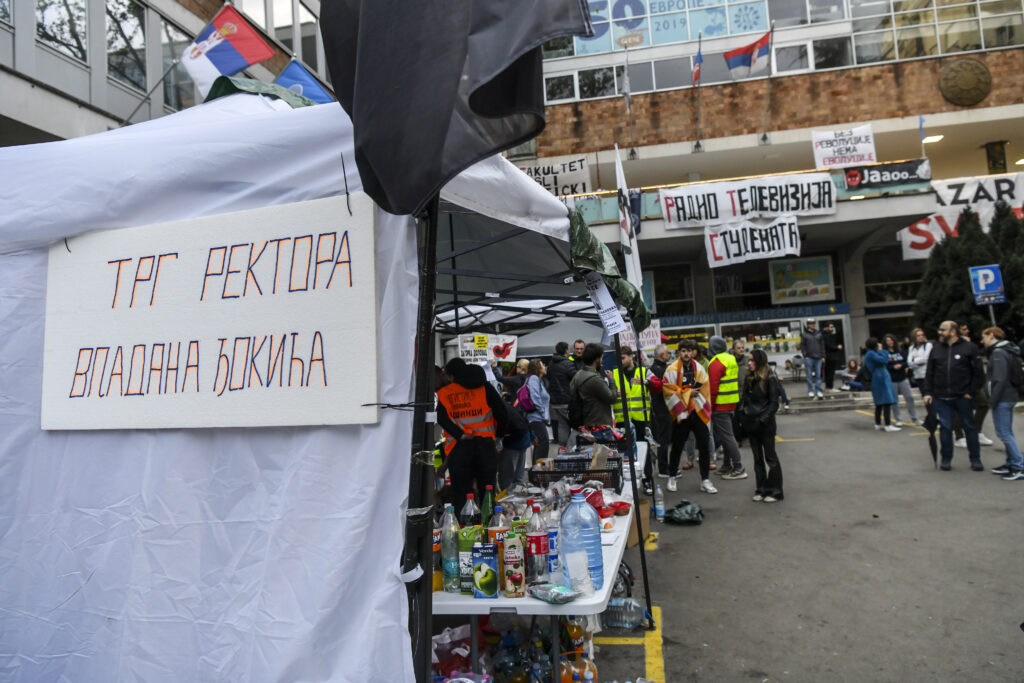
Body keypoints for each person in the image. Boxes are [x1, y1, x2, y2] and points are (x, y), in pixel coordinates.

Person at [436, 357, 509, 509]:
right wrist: (499, 435)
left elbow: (441, 418)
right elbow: (502, 413)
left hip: (459, 448)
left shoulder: (445, 393)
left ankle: (465, 523)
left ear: (452, 376)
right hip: (485, 447)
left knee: (461, 494)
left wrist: (459, 434)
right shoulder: (485, 387)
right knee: (487, 493)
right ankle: (489, 522)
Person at [922, 321, 984, 471]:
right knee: (945, 428)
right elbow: (929, 373)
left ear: (953, 331)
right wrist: (928, 392)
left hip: (963, 396)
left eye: (943, 330)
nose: (940, 332)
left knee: (970, 427)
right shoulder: (936, 349)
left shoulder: (969, 348)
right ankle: (946, 459)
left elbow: (978, 373)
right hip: (941, 397)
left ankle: (975, 459)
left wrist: (971, 392)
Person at [659, 339, 717, 494]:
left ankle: (705, 480)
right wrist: (687, 393)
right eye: (683, 351)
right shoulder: (671, 370)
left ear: (693, 353)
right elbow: (668, 389)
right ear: (679, 353)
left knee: (704, 446)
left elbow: (705, 388)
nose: (686, 354)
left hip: (698, 411)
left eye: (689, 351)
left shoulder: (700, 369)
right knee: (677, 447)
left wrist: (688, 393)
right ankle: (672, 477)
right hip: (682, 413)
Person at [611, 346, 661, 491]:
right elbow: (606, 393)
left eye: (622, 358)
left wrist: (647, 382)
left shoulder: (644, 371)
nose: (620, 361)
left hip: (641, 419)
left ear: (631, 356)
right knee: (624, 453)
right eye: (618, 359)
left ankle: (647, 479)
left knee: (644, 450)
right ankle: (627, 481)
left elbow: (659, 385)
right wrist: (613, 392)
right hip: (622, 420)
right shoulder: (613, 374)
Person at [739, 349, 783, 502]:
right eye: (749, 360)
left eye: (752, 360)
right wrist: (743, 414)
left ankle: (776, 491)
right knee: (757, 459)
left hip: (765, 424)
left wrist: (763, 419)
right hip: (751, 422)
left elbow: (774, 403)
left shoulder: (770, 377)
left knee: (770, 458)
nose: (749, 363)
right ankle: (761, 488)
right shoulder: (749, 377)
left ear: (759, 361)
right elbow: (744, 398)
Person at [981, 327, 1024, 481]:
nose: (982, 341)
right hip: (1008, 396)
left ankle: (1018, 466)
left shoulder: (998, 353)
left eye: (984, 337)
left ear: (992, 335)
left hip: (1003, 398)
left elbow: (999, 379)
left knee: (1004, 433)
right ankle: (1011, 463)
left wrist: (993, 400)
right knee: (1005, 432)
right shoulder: (1007, 350)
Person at [707, 336, 747, 480]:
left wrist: (710, 406)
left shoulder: (716, 362)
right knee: (726, 437)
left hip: (720, 405)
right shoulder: (730, 359)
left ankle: (738, 467)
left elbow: (713, 388)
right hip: (731, 403)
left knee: (727, 437)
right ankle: (726, 465)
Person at [953, 321, 994, 447]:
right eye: (964, 329)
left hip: (973, 381)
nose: (967, 331)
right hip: (959, 382)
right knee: (959, 408)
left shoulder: (970, 344)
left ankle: (976, 431)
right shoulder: (951, 345)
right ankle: (959, 436)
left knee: (984, 403)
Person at [569, 342, 619, 428]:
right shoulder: (595, 379)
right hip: (599, 425)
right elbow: (611, 398)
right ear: (597, 359)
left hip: (586, 422)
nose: (602, 360)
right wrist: (611, 380)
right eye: (601, 357)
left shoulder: (578, 374)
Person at [649, 344, 674, 480]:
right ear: (661, 355)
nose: (669, 355)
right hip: (662, 408)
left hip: (663, 407)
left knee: (665, 439)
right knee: (663, 440)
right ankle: (664, 469)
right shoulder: (657, 369)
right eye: (667, 353)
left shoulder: (660, 368)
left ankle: (666, 467)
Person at [864, 338, 900, 432]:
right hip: (880, 378)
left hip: (878, 377)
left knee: (879, 403)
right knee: (886, 401)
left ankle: (878, 423)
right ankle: (888, 424)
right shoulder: (871, 353)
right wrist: (883, 350)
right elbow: (884, 360)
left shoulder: (870, 353)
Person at [883, 333, 919, 426]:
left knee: (909, 397)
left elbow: (907, 362)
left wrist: (901, 365)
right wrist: (892, 367)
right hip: (892, 379)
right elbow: (884, 365)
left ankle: (914, 418)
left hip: (903, 377)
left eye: (891, 340)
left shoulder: (901, 351)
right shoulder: (885, 353)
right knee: (895, 400)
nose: (890, 342)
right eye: (887, 341)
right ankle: (898, 419)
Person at [547, 341, 578, 447]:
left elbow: (549, 378)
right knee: (578, 426)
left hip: (555, 402)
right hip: (567, 401)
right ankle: (570, 448)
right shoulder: (568, 363)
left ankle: (564, 449)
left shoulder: (551, 364)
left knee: (562, 426)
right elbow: (576, 379)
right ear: (566, 350)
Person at [524, 359, 551, 461]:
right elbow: (535, 398)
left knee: (540, 443)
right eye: (542, 365)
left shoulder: (539, 381)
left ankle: (538, 468)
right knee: (543, 443)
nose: (545, 367)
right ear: (538, 368)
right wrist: (543, 414)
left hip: (537, 418)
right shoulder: (534, 379)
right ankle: (539, 468)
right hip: (536, 418)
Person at [799, 318, 826, 399]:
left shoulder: (819, 333)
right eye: (811, 323)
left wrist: (823, 356)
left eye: (814, 323)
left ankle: (818, 390)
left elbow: (822, 345)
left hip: (818, 357)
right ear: (808, 325)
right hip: (809, 358)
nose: (813, 324)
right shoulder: (804, 334)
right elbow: (802, 345)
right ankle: (810, 390)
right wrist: (805, 355)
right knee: (809, 375)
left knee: (818, 375)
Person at [906, 327, 932, 394]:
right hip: (918, 376)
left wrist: (914, 361)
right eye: (918, 335)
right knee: (923, 395)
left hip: (927, 375)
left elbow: (926, 358)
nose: (921, 337)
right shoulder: (911, 348)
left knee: (929, 395)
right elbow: (909, 362)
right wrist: (919, 363)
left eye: (922, 335)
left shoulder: (928, 345)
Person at [823, 322, 844, 393]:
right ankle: (830, 387)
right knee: (830, 372)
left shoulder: (828, 335)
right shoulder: (826, 336)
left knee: (829, 372)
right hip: (830, 356)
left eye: (833, 327)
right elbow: (829, 346)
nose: (832, 329)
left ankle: (828, 387)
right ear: (827, 328)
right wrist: (837, 347)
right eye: (831, 327)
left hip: (829, 356)